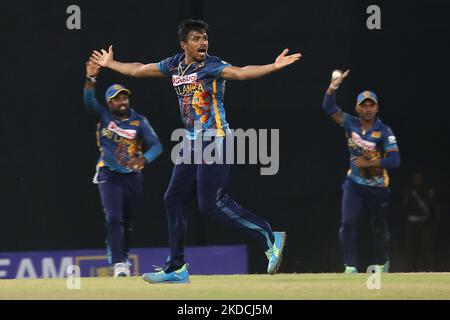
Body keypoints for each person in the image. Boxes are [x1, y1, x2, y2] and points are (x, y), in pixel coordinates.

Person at [91, 19, 301, 283]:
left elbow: (241, 72)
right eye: (196, 39)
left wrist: (273, 66)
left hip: (214, 138)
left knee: (210, 204)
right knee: (173, 199)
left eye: (205, 38)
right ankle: (176, 268)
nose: (203, 43)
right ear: (184, 44)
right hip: (191, 142)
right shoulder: (174, 65)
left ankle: (269, 236)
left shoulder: (211, 65)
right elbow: (140, 69)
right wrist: (111, 64)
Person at [83, 59, 163, 277]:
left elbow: (157, 146)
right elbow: (89, 101)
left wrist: (143, 160)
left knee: (126, 221)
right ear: (109, 104)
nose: (122, 101)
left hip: (132, 177)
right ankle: (118, 263)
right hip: (108, 174)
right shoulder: (103, 116)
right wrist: (91, 78)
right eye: (116, 99)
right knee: (114, 218)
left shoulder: (139, 121)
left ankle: (123, 257)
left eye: (124, 96)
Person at [322, 69, 400, 273]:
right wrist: (333, 86)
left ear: (377, 108)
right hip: (354, 184)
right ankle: (350, 267)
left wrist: (369, 164)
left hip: (378, 187)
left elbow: (395, 160)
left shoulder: (384, 131)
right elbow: (328, 107)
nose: (367, 109)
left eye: (371, 105)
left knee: (378, 228)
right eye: (363, 105)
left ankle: (383, 263)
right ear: (357, 108)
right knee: (347, 224)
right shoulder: (350, 123)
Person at [401, 172, 440, 271]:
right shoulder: (409, 191)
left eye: (419, 178)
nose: (418, 180)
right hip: (412, 222)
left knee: (427, 248)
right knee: (411, 247)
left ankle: (429, 269)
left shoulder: (428, 190)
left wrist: (433, 221)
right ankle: (411, 269)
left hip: (425, 222)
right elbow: (404, 207)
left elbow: (433, 207)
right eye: (416, 178)